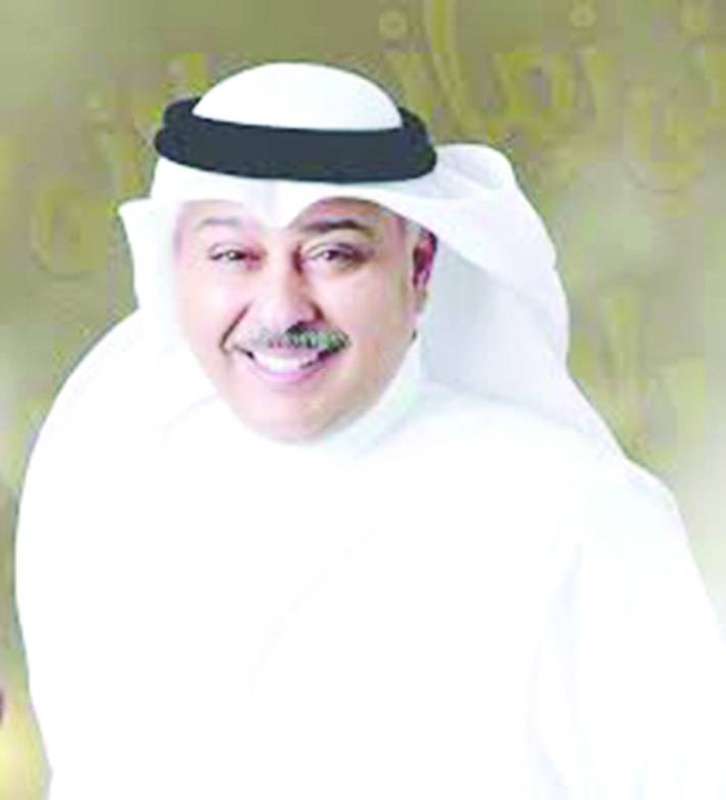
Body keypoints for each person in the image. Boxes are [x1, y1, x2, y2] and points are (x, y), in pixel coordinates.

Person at [13, 61, 726, 799]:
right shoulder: (115, 487)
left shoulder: (575, 510)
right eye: (234, 256)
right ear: (175, 270)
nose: (282, 309)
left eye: (332, 254)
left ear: (418, 267)